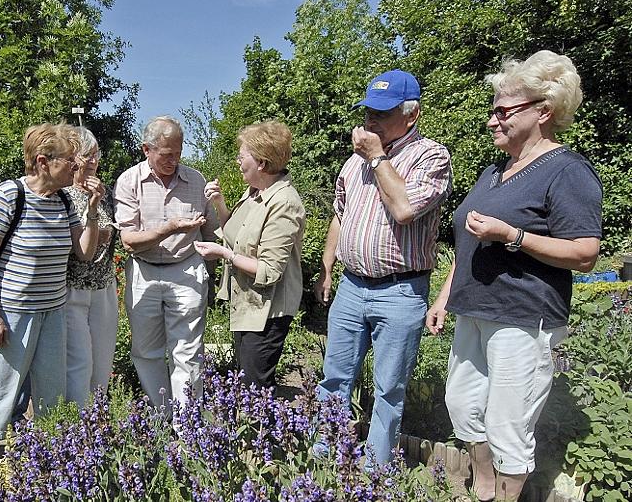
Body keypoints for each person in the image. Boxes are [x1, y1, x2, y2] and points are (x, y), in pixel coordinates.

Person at [426, 51, 601, 502]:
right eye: (493, 110)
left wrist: (515, 235)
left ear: (544, 111)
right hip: (474, 310)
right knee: (463, 407)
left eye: (502, 111)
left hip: (523, 317)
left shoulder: (567, 170)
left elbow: (585, 253)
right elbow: (469, 244)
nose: (491, 121)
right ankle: (485, 485)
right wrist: (445, 295)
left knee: (508, 426)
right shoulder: (494, 171)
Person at [313, 69, 452, 466]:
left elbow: (405, 209)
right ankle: (324, 458)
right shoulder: (352, 163)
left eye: (382, 113)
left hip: (400, 290)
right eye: (368, 112)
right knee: (334, 378)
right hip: (351, 286)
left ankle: (375, 469)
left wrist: (376, 157)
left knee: (389, 386)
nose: (370, 122)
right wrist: (327, 268)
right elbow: (340, 216)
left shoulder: (431, 156)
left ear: (412, 115)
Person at [0, 123, 103, 470]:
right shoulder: (8, 195)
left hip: (53, 313)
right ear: (43, 161)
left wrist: (92, 208)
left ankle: (46, 467)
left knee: (52, 397)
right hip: (12, 315)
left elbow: (84, 253)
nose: (76, 168)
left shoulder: (63, 201)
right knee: (0, 394)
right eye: (70, 162)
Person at [114, 116, 219, 410]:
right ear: (146, 149)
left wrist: (210, 271)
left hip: (186, 268)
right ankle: (162, 414)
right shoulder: (129, 181)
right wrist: (169, 229)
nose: (174, 160)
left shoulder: (195, 180)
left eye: (178, 152)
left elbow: (211, 232)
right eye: (166, 154)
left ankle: (187, 426)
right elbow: (129, 241)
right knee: (146, 351)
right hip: (143, 271)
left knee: (188, 351)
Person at [194, 120, 306, 389]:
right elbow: (233, 233)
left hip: (267, 312)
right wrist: (219, 203)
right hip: (247, 306)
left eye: (242, 156)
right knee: (247, 383)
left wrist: (223, 254)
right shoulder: (255, 193)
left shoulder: (284, 203)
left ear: (262, 164)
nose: (237, 161)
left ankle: (262, 432)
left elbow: (269, 270)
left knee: (256, 388)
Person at [64, 127, 119, 407]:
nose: (94, 161)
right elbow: (79, 245)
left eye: (97, 155)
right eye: (88, 155)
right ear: (72, 158)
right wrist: (97, 226)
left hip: (104, 286)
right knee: (79, 362)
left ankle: (97, 421)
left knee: (102, 362)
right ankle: (78, 424)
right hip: (73, 290)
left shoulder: (105, 191)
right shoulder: (63, 195)